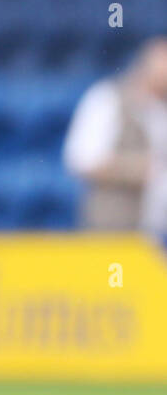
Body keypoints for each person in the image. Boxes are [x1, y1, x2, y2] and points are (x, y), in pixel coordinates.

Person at [64, 36, 167, 244]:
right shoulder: (107, 99)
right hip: (113, 235)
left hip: (157, 237)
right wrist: (137, 169)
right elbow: (82, 159)